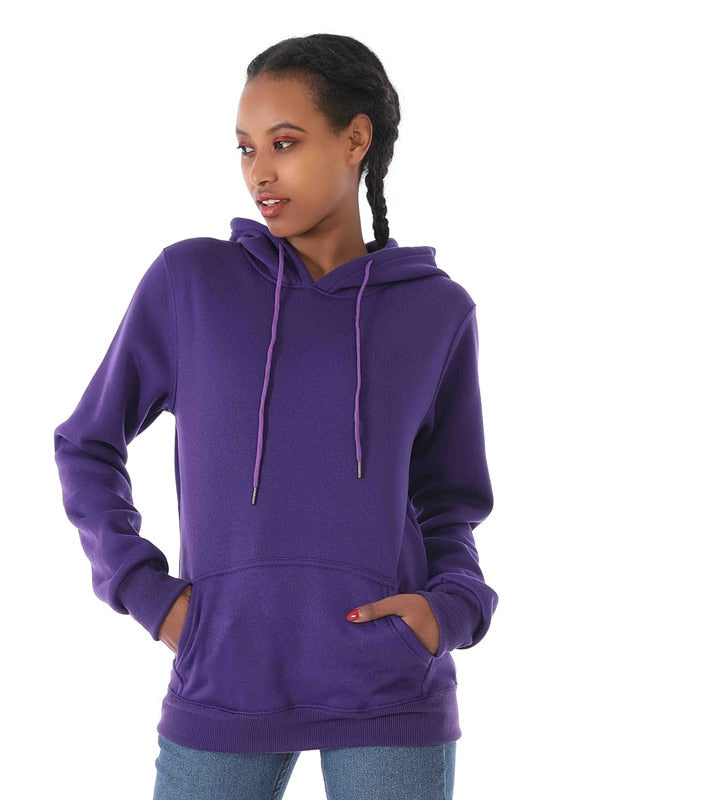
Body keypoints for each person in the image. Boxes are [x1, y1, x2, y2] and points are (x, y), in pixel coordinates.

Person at [53, 32, 498, 800]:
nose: (259, 171)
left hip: (389, 685)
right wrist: (148, 593)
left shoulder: (436, 310)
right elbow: (87, 443)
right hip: (225, 674)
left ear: (355, 139)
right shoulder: (192, 281)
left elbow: (448, 499)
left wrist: (449, 608)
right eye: (245, 148)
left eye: (284, 143)